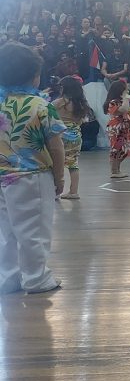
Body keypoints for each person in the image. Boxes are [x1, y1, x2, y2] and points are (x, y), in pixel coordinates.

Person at [0, 42, 66, 294]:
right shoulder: (41, 106)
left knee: (6, 232)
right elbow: (56, 146)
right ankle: (36, 278)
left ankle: (8, 277)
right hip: (31, 176)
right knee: (34, 230)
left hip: (2, 176)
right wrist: (59, 176)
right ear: (34, 76)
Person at [52, 75, 93, 200]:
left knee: (55, 164)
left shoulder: (60, 102)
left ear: (64, 88)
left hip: (61, 136)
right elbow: (81, 121)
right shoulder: (80, 104)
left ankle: (55, 191)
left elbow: (47, 111)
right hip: (76, 137)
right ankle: (73, 191)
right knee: (73, 164)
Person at [103, 79, 130, 179]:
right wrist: (126, 98)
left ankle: (118, 169)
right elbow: (124, 109)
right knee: (116, 149)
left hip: (125, 128)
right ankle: (114, 171)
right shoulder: (113, 102)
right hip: (117, 129)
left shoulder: (123, 101)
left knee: (123, 150)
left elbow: (128, 109)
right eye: (125, 89)